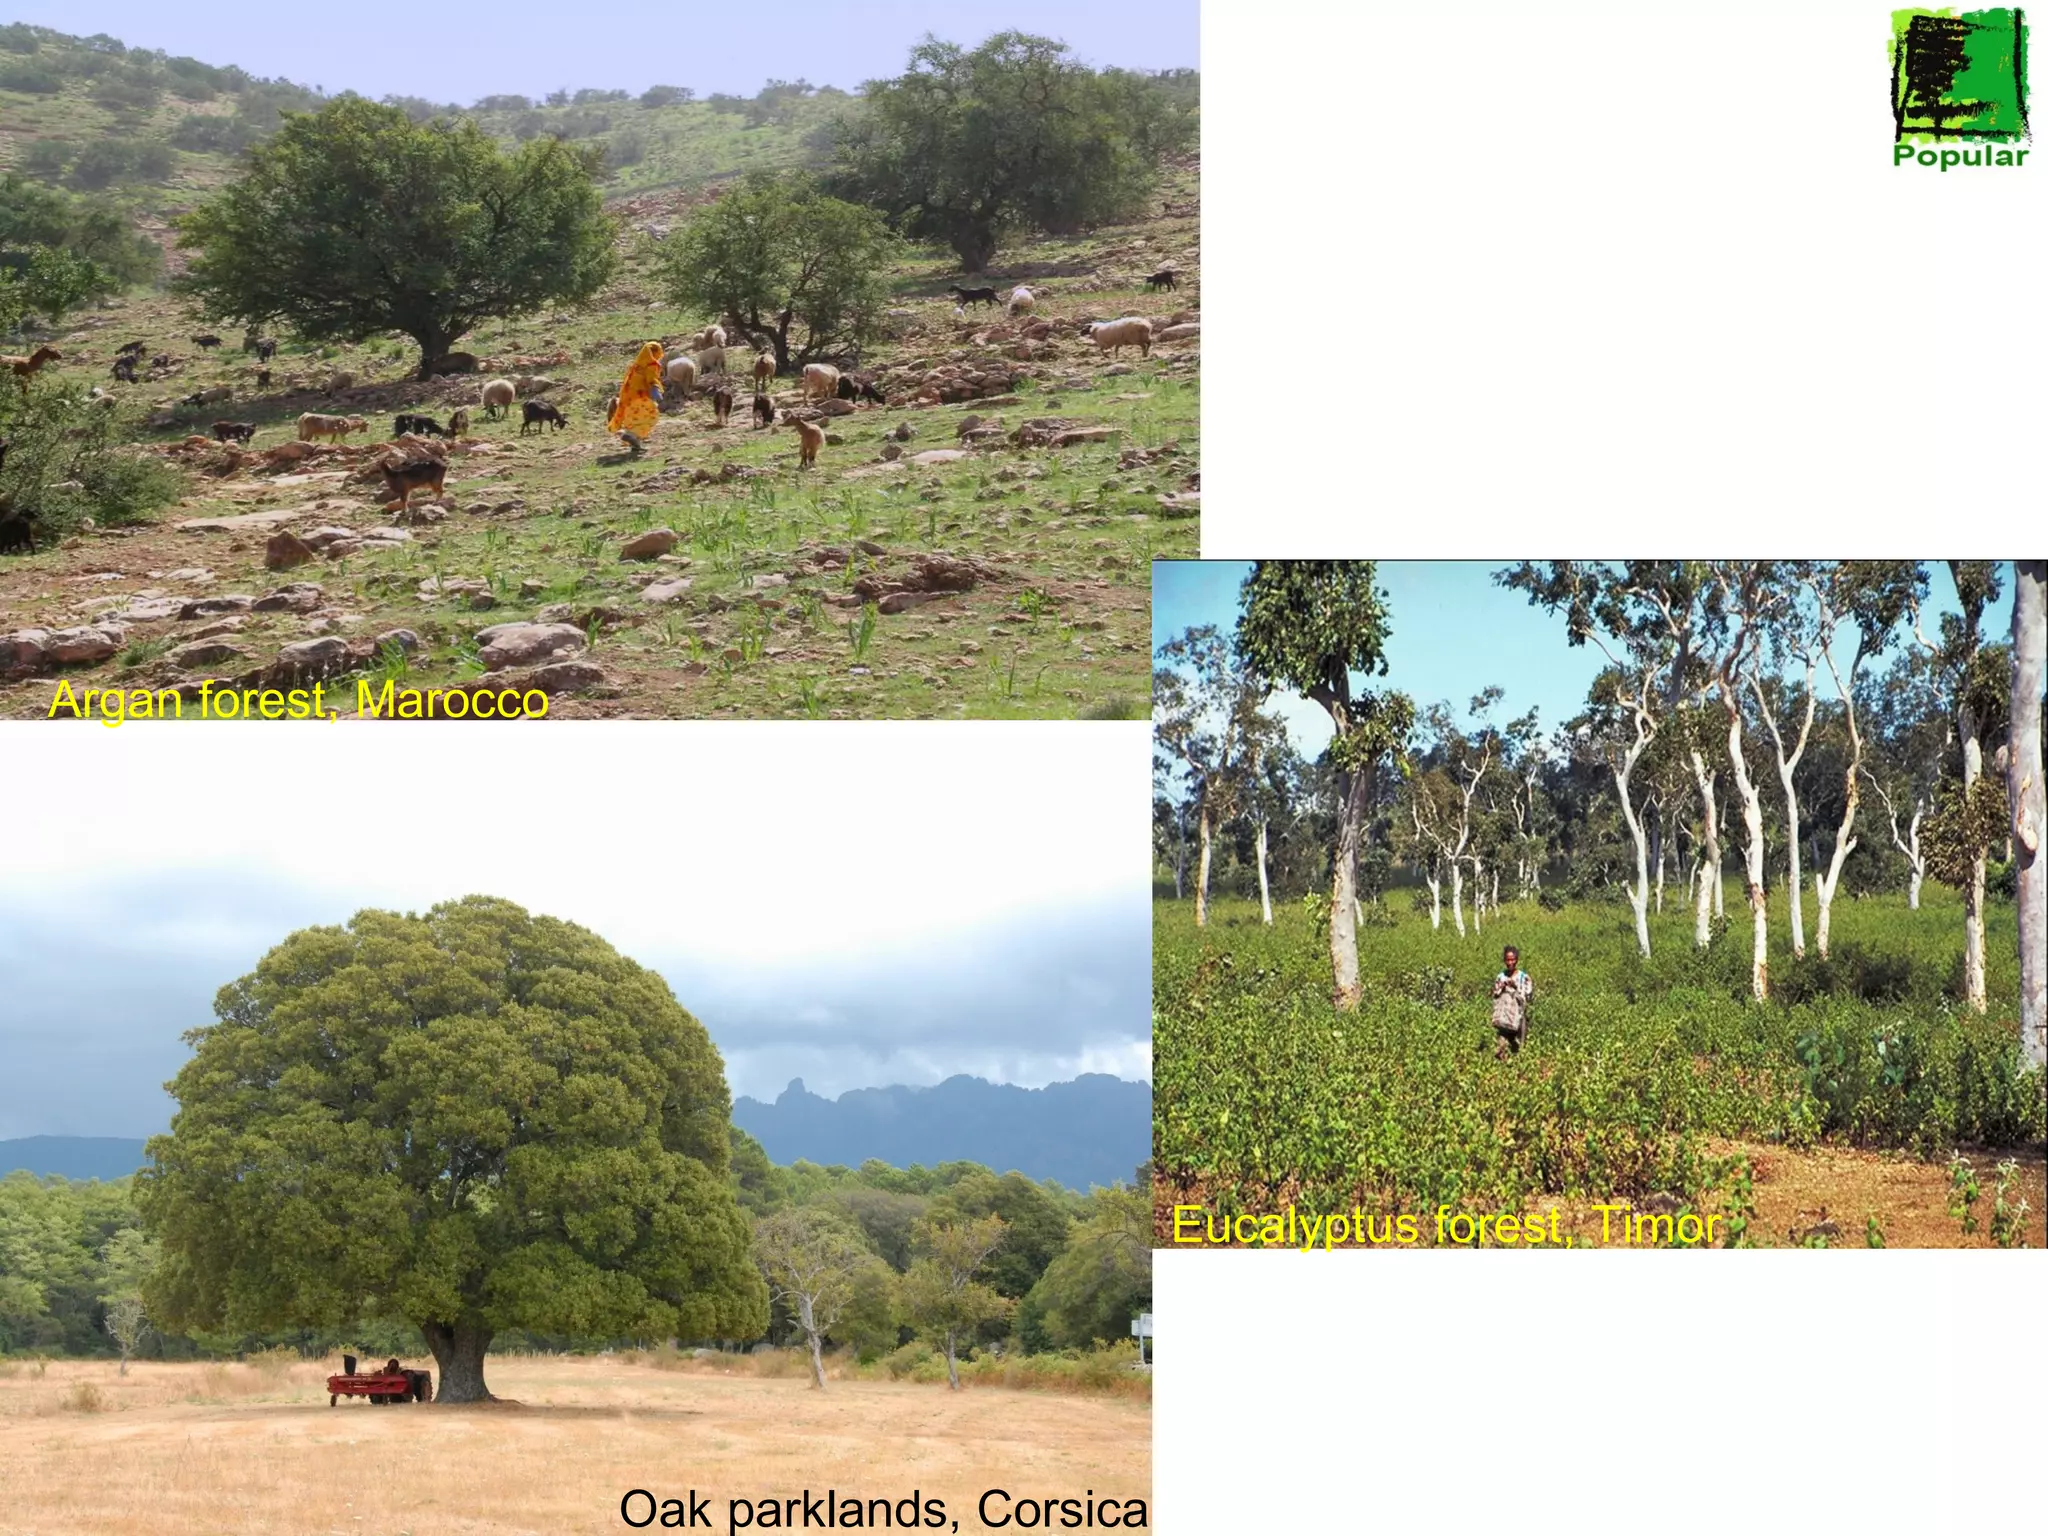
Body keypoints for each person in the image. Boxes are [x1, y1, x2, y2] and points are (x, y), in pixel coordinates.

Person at [607, 341, 667, 453]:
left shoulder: (636, 365)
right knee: (651, 417)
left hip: (628, 397)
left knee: (634, 420)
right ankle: (632, 435)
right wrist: (655, 388)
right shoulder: (651, 364)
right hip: (642, 397)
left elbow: (627, 381)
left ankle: (635, 445)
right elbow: (651, 378)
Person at [1491, 945, 1532, 1060]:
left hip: (1519, 1016)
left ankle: (1520, 1066)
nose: (1510, 962)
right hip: (1504, 1016)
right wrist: (1501, 988)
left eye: (1513, 959)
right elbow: (1495, 995)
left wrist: (1516, 987)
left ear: (1517, 960)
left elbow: (1528, 997)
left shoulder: (1523, 977)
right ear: (1504, 960)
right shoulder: (1500, 977)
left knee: (1520, 1046)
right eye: (1508, 960)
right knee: (1501, 1047)